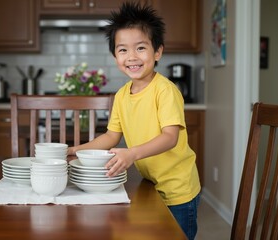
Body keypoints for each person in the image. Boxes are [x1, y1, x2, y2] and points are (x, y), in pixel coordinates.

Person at [67, 2, 201, 239]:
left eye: (140, 48)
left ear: (157, 51)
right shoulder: (121, 95)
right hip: (151, 184)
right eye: (123, 50)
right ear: (114, 55)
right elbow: (111, 137)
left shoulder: (165, 90)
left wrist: (131, 153)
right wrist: (75, 150)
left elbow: (170, 138)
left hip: (177, 190)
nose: (132, 57)